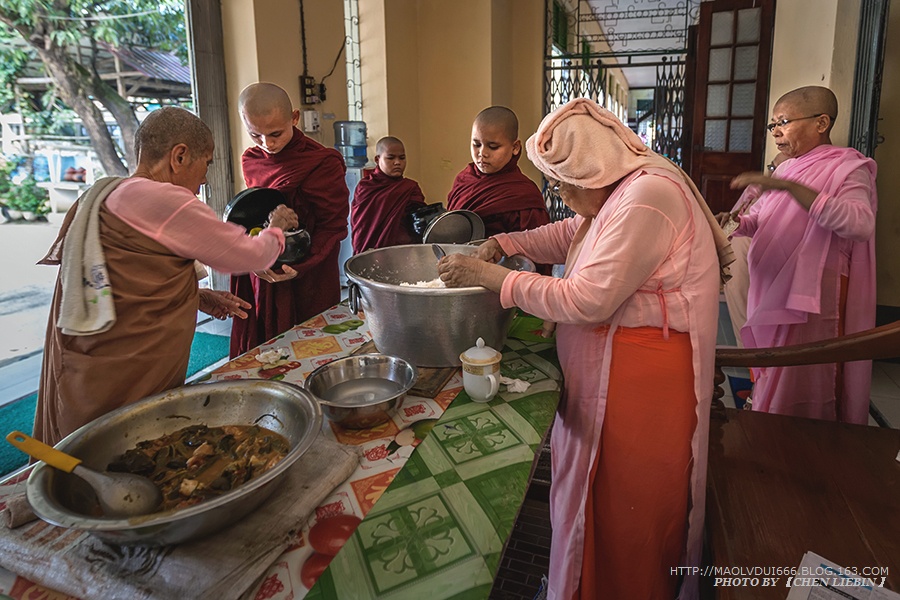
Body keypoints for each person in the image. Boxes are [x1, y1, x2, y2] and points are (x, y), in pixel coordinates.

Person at [438, 98, 732, 600]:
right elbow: (574, 233)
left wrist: (494, 278)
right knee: (590, 497)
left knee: (623, 504)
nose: (558, 193)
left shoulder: (647, 199)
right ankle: (577, 580)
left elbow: (587, 298)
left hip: (640, 384)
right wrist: (509, 243)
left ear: (592, 167)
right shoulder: (622, 189)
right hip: (613, 369)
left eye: (559, 183)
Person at [35, 106, 298, 445]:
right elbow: (248, 254)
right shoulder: (161, 198)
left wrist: (197, 295)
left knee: (102, 442)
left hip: (95, 348)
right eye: (206, 163)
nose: (204, 179)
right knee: (124, 441)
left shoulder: (108, 193)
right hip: (126, 365)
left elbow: (124, 275)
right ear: (180, 156)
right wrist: (275, 227)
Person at [729, 86, 877, 424]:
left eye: (783, 121)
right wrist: (736, 223)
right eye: (773, 125)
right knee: (775, 370)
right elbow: (763, 220)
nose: (776, 132)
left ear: (821, 122)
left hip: (812, 294)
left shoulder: (848, 167)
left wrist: (789, 188)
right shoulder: (786, 170)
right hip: (774, 285)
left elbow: (859, 224)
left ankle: (806, 443)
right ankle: (772, 428)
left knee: (805, 378)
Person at [230, 83, 350, 357]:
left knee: (314, 347)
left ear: (294, 118)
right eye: (255, 135)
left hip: (311, 273)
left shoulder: (322, 162)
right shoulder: (252, 159)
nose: (267, 144)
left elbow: (334, 226)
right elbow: (252, 215)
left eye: (275, 134)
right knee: (269, 349)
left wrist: (303, 265)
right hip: (266, 268)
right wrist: (254, 256)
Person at [446, 106, 550, 237]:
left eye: (493, 147)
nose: (482, 153)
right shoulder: (464, 178)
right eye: (476, 145)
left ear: (515, 147)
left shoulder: (524, 195)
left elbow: (535, 245)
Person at [717, 151, 786, 345]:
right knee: (740, 312)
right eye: (771, 168)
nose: (772, 175)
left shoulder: (784, 200)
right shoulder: (754, 191)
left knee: (751, 316)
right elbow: (735, 219)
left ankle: (752, 365)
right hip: (737, 258)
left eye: (780, 171)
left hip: (756, 263)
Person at [350, 136, 426, 253]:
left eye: (402, 158)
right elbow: (362, 227)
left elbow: (418, 222)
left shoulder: (410, 188)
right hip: (371, 253)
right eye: (390, 158)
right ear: (377, 159)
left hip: (402, 253)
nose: (397, 163)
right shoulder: (366, 188)